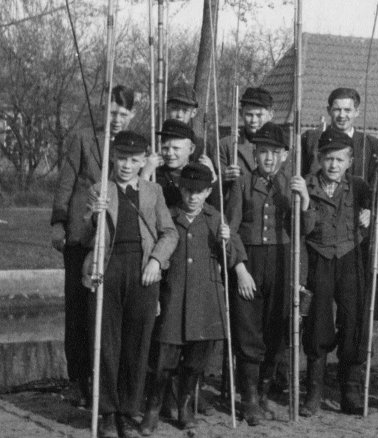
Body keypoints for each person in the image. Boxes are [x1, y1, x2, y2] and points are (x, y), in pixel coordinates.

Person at [139, 163, 249, 434]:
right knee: (164, 359)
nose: (192, 197)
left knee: (195, 362)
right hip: (173, 297)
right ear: (180, 188)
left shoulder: (215, 218)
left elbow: (232, 258)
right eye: (188, 190)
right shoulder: (168, 215)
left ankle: (185, 406)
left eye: (199, 192)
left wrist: (225, 241)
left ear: (209, 191)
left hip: (206, 300)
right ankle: (153, 408)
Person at [82, 131, 178, 437]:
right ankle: (108, 411)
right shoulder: (100, 189)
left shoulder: (153, 191)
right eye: (122, 158)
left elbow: (170, 233)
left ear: (143, 161)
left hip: (143, 272)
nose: (127, 165)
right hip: (108, 270)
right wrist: (94, 218)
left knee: (137, 345)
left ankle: (127, 409)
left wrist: (156, 261)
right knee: (107, 343)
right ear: (113, 157)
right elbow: (86, 237)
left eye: (134, 160)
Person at [298, 130, 378, 417]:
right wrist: (303, 201)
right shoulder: (307, 185)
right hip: (319, 257)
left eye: (340, 159)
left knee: (353, 320)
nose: (333, 165)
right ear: (318, 158)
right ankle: (313, 392)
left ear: (350, 161)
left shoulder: (360, 186)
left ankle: (349, 391)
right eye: (328, 159)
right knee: (318, 321)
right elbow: (301, 228)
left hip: (351, 257)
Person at [51, 84, 136, 409]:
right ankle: (79, 380)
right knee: (76, 308)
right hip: (81, 236)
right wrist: (59, 223)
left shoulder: (131, 145)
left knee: (105, 313)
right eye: (112, 113)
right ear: (105, 109)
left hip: (113, 239)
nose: (117, 119)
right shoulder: (83, 139)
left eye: (123, 114)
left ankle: (106, 380)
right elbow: (65, 183)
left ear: (132, 115)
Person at [225, 122, 304, 425]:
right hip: (250, 262)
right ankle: (247, 400)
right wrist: (240, 269)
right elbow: (230, 231)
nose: (269, 158)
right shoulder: (242, 184)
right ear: (254, 154)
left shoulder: (291, 185)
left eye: (275, 152)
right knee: (248, 332)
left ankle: (263, 394)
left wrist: (304, 200)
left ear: (285, 155)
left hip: (282, 262)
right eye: (263, 152)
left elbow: (303, 231)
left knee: (275, 331)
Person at [300, 87, 378, 180]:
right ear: (329, 110)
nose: (342, 115)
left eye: (347, 110)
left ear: (356, 112)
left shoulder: (372, 145)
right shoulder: (311, 140)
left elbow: (377, 186)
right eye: (337, 109)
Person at [143, 119, 218, 208]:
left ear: (191, 149)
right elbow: (142, 205)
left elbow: (215, 206)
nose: (169, 153)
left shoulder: (198, 173)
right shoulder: (154, 173)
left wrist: (213, 177)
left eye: (176, 148)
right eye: (165, 148)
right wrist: (145, 174)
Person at [219, 87, 277, 181]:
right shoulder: (226, 146)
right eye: (249, 115)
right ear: (241, 113)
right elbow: (210, 189)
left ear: (271, 115)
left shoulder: (280, 149)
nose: (253, 120)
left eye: (259, 115)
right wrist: (223, 179)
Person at [163, 83, 215, 162]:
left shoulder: (201, 146)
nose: (179, 115)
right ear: (167, 109)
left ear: (193, 112)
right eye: (174, 108)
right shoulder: (156, 140)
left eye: (185, 110)